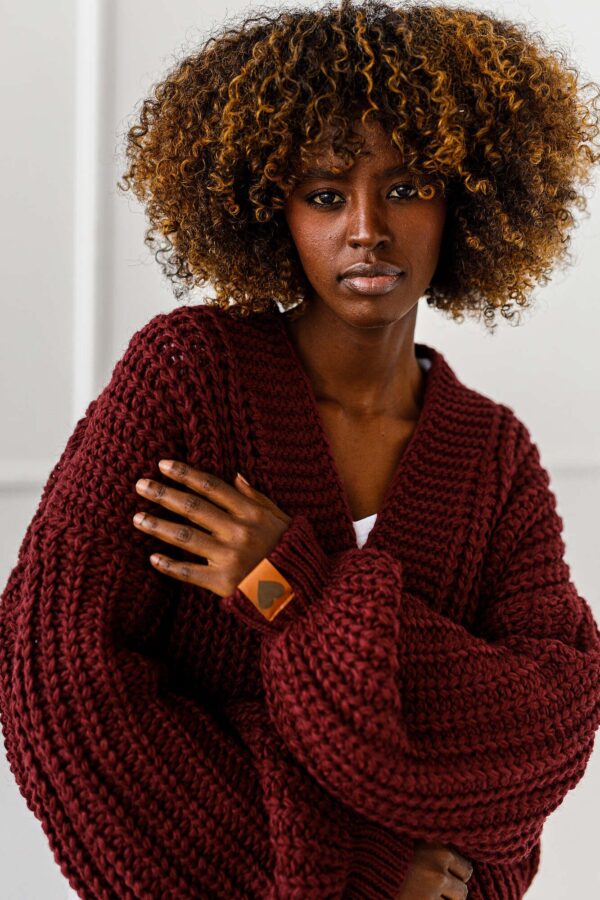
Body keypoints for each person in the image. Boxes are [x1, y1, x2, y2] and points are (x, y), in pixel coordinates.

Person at [1, 1, 599, 898]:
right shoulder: (190, 380)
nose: (367, 228)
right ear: (268, 210)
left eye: (407, 187)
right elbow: (56, 682)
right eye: (324, 195)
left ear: (468, 201)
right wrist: (359, 872)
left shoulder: (493, 458)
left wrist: (292, 591)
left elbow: (541, 735)